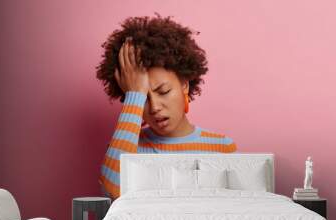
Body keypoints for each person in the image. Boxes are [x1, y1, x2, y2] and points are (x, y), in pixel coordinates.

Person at [96, 14, 237, 200]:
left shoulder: (222, 147)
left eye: (163, 91)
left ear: (184, 84)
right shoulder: (128, 147)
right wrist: (134, 95)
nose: (154, 107)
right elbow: (112, 192)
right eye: (143, 99)